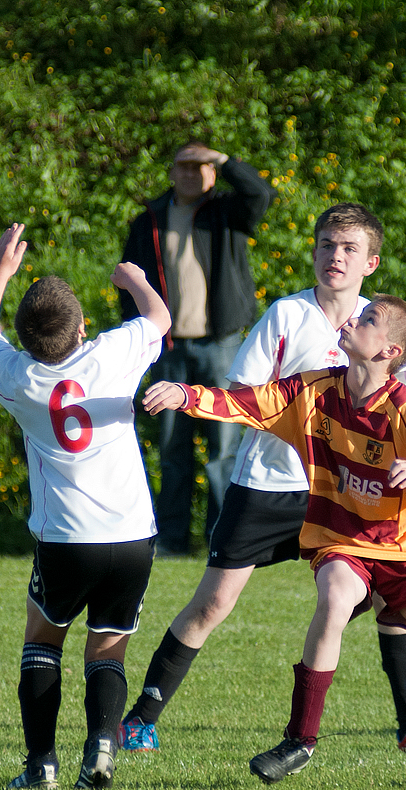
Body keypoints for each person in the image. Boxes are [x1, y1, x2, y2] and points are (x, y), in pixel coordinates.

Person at [143, 294, 406, 790]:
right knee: (334, 599)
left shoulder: (405, 411)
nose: (353, 319)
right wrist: (185, 395)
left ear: (389, 351)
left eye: (368, 320)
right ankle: (299, 742)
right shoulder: (313, 390)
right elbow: (245, 404)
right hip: (343, 542)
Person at [120, 204, 406, 755]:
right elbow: (245, 396)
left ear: (370, 263)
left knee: (392, 596)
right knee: (213, 603)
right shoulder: (287, 315)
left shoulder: (380, 325)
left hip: (349, 496)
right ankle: (140, 719)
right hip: (269, 487)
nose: (336, 256)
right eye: (327, 244)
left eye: (349, 248)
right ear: (314, 251)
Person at [0, 224, 171, 790]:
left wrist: (0, 272)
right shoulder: (112, 355)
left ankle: (41, 766)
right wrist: (135, 280)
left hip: (65, 538)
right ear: (83, 328)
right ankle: (101, 746)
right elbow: (160, 319)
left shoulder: (19, 377)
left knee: (42, 640)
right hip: (132, 534)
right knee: (108, 646)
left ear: (24, 339)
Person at [120, 141, 277, 554]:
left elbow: (261, 193)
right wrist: (139, 336)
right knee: (173, 448)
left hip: (220, 345)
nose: (191, 174)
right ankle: (172, 541)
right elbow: (129, 283)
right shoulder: (149, 220)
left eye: (200, 166)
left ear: (212, 173)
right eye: (184, 166)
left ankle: (221, 540)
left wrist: (225, 160)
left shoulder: (227, 211)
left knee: (224, 449)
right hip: (168, 348)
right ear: (172, 172)